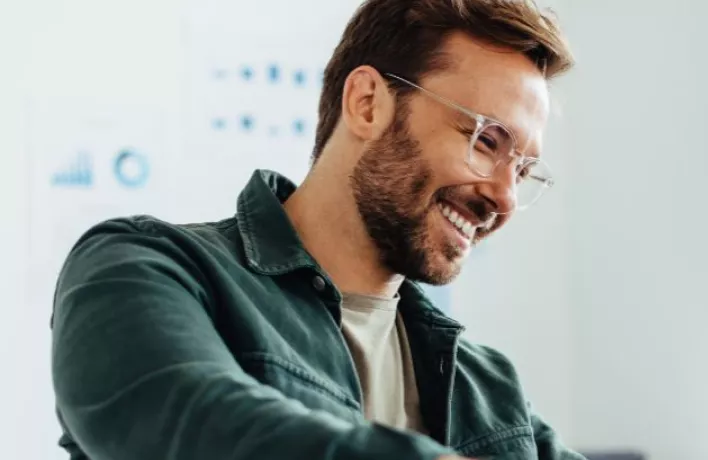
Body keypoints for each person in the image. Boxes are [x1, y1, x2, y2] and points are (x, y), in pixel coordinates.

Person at [48, 0, 578, 459]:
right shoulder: (146, 267)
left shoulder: (490, 391)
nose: (504, 198)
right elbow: (191, 419)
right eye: (486, 142)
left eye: (524, 170)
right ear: (367, 104)